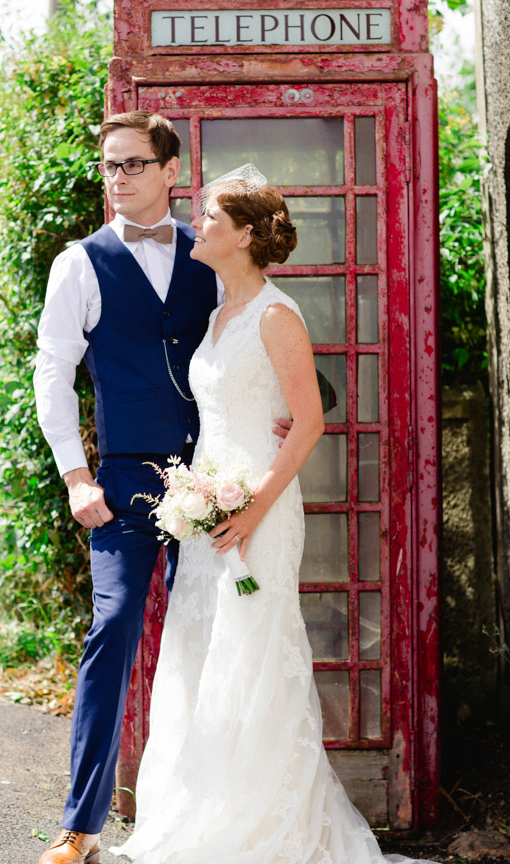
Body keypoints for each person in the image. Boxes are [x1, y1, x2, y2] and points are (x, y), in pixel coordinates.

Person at [110, 169, 441, 864]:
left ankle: (265, 828)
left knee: (253, 655)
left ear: (247, 234)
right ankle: (206, 812)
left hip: (257, 506)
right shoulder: (220, 313)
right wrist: (198, 496)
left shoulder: (274, 314)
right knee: (205, 654)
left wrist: (252, 506)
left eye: (211, 216)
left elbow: (309, 422)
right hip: (211, 509)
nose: (199, 224)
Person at [33, 118, 289, 864]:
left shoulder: (210, 251)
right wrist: (76, 476)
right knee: (112, 632)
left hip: (213, 472)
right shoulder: (78, 264)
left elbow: (254, 340)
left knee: (214, 636)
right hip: (123, 481)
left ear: (172, 171)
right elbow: (52, 373)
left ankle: (211, 815)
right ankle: (80, 826)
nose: (118, 178)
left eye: (134, 164)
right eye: (109, 166)